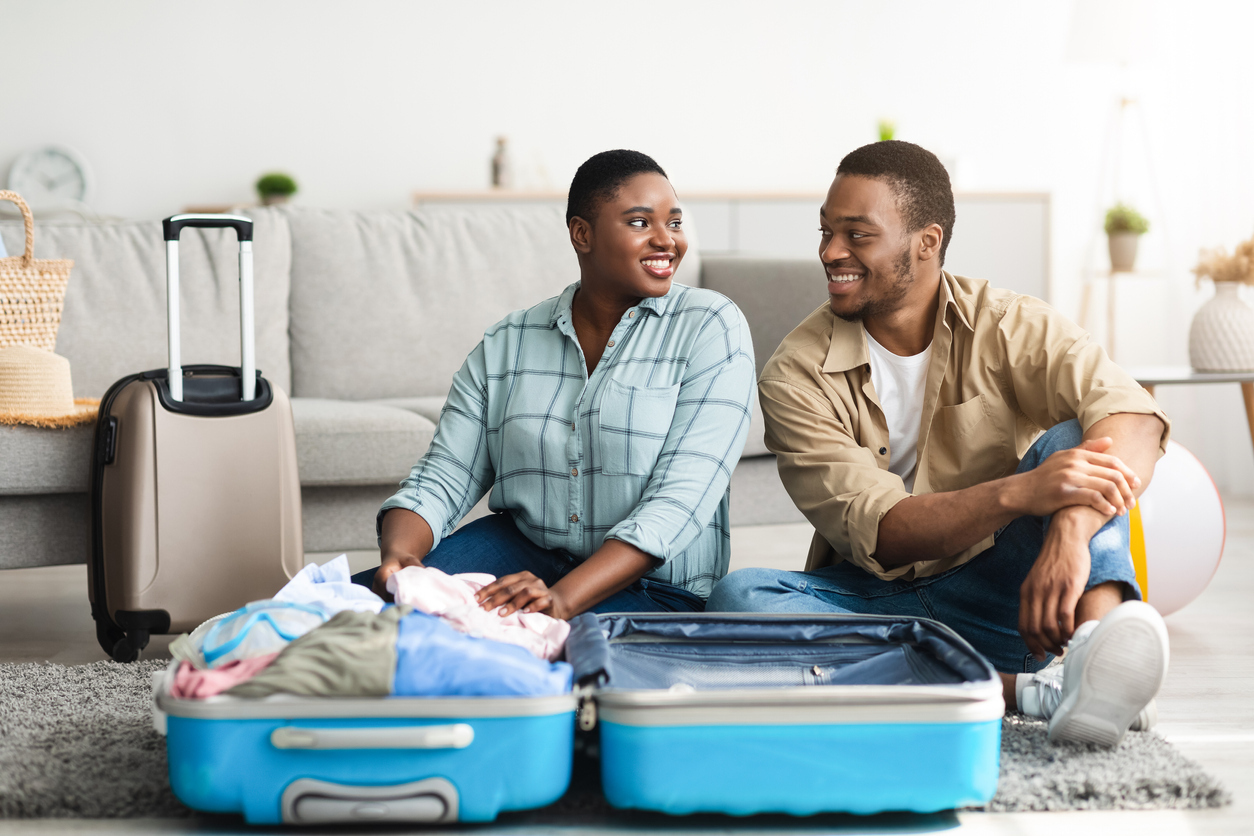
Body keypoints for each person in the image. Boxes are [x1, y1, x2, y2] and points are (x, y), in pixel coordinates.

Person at [706, 141, 1171, 748]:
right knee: (739, 600)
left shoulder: (1006, 322)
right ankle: (1026, 693)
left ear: (926, 241)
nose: (829, 253)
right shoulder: (795, 372)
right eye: (825, 231)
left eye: (856, 234)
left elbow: (1134, 415)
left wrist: (1068, 532)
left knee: (1080, 440)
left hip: (1013, 599)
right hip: (872, 608)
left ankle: (1095, 653)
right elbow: (886, 530)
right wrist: (1021, 492)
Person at [353, 149, 755, 619]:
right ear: (582, 234)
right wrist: (402, 559)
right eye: (640, 223)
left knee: (504, 634)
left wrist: (560, 599)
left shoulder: (711, 326)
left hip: (656, 584)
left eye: (675, 222)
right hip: (522, 549)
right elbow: (444, 474)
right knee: (369, 605)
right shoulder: (510, 340)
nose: (667, 241)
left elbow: (679, 501)